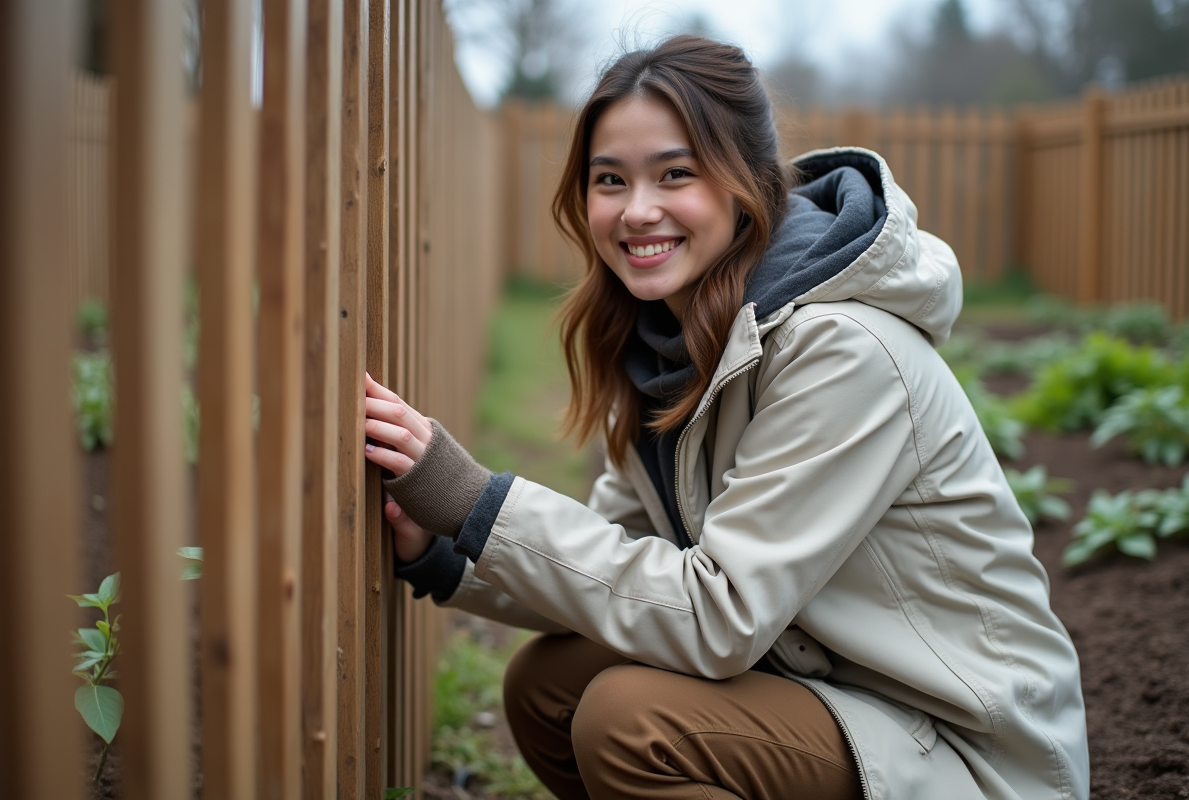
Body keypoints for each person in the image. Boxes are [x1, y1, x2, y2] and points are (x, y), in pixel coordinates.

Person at [363, 34, 1089, 800]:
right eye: (610, 180)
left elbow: (721, 615)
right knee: (549, 686)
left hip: (964, 746)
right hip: (825, 686)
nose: (637, 210)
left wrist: (476, 499)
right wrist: (447, 550)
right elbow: (616, 560)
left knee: (627, 721)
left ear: (747, 180)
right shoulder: (668, 345)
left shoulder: (841, 350)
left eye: (675, 174)